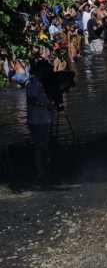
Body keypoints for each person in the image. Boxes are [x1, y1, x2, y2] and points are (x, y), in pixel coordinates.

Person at [26, 56, 55, 184]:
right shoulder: (34, 81)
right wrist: (47, 105)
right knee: (39, 146)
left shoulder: (40, 81)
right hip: (36, 120)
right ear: (41, 70)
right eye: (47, 70)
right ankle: (40, 174)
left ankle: (46, 171)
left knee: (44, 144)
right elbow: (31, 100)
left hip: (43, 118)